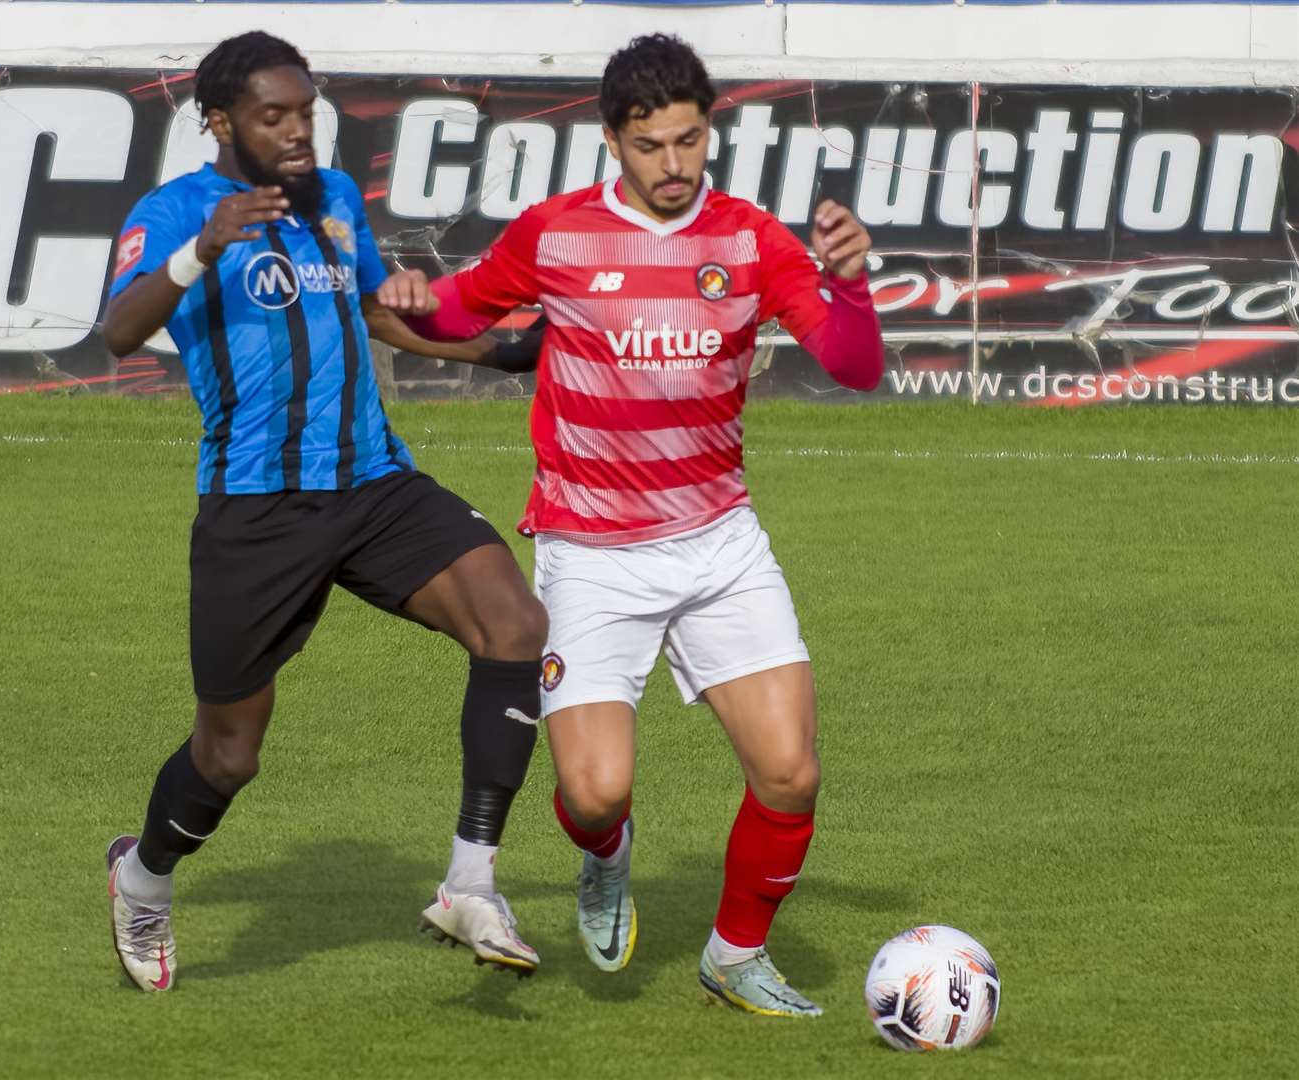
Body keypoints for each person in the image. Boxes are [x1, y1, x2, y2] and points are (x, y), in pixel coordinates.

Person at [376, 34, 884, 1017]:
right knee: (596, 794)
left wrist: (850, 282)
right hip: (590, 552)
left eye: (690, 141)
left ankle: (732, 956)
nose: (674, 165)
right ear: (612, 141)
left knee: (788, 772)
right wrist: (410, 301)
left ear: (709, 131)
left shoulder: (748, 240)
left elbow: (855, 366)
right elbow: (458, 309)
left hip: (718, 543)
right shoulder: (556, 234)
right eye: (651, 146)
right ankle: (605, 857)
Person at [100, 31, 550, 993]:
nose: (298, 131)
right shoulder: (173, 212)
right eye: (274, 116)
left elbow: (373, 311)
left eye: (305, 111)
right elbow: (118, 330)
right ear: (220, 122)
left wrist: (496, 353)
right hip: (256, 512)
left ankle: (471, 880)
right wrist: (200, 249)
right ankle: (142, 878)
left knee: (515, 623)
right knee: (228, 757)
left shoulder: (336, 199)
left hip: (374, 485)